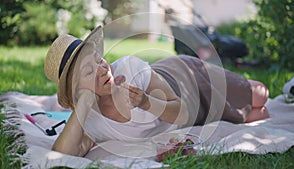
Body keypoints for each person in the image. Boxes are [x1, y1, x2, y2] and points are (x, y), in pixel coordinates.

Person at [44, 25, 269, 157]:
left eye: (98, 59)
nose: (102, 68)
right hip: (194, 118)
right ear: (77, 89)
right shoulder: (91, 121)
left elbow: (183, 110)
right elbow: (62, 154)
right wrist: (83, 102)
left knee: (260, 94)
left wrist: (145, 102)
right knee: (256, 115)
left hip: (186, 77)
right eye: (88, 71)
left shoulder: (129, 67)